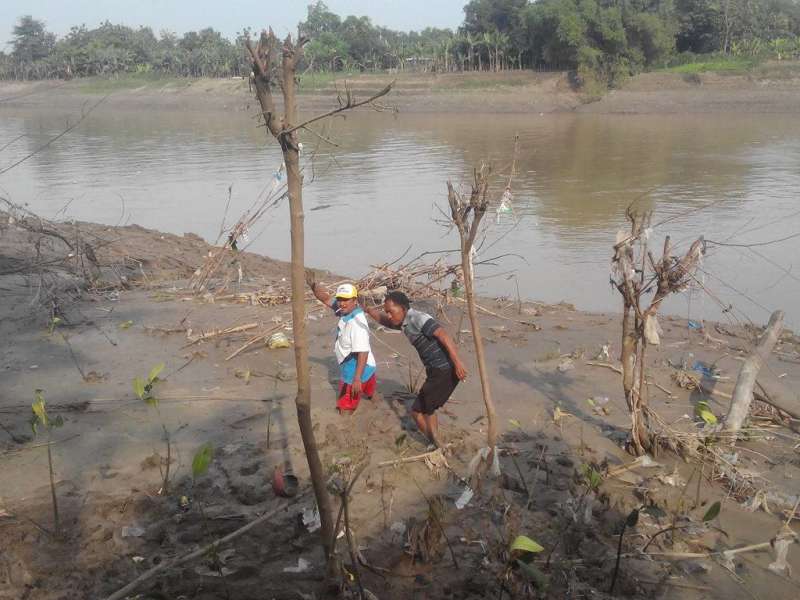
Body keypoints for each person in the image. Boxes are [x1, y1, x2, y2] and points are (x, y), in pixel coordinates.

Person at [362, 291, 467, 448]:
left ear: (403, 308)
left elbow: (443, 335)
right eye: (387, 312)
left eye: (391, 311)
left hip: (442, 370)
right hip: (436, 371)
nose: (389, 315)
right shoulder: (404, 322)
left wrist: (458, 362)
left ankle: (436, 444)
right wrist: (369, 310)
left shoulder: (417, 317)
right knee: (428, 409)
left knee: (417, 411)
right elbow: (385, 321)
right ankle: (437, 441)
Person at [307, 274, 377, 414]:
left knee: (345, 405)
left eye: (346, 300)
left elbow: (363, 351)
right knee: (368, 391)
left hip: (356, 365)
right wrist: (314, 286)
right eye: (340, 299)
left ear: (355, 301)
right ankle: (370, 397)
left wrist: (356, 379)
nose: (341, 303)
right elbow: (326, 299)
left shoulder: (357, 323)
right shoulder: (345, 311)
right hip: (369, 366)